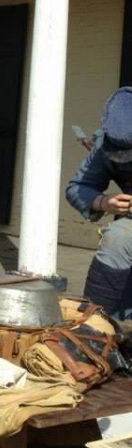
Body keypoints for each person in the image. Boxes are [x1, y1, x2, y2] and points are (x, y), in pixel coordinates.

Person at [66, 87, 132, 320]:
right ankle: (93, 329)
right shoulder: (106, 144)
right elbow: (76, 188)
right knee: (117, 237)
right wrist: (104, 202)